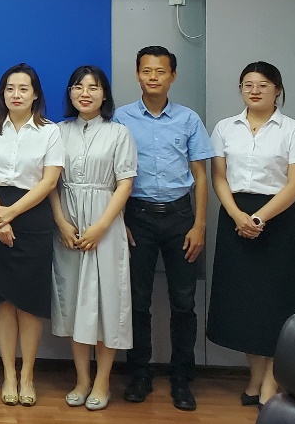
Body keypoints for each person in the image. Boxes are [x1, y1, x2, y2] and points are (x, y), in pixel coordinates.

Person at [206, 62, 295, 407]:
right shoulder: (225, 127)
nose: (254, 90)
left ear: (277, 90)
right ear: (241, 88)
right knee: (245, 303)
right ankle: (254, 378)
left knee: (276, 302)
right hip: (234, 217)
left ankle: (271, 381)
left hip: (276, 220)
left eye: (263, 85)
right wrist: (237, 215)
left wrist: (258, 218)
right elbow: (219, 177)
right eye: (248, 84)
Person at [112, 45, 213, 412]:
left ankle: (182, 378)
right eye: (146, 70)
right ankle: (139, 374)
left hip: (180, 218)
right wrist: (119, 221)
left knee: (184, 302)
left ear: (173, 76)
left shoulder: (189, 119)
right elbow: (112, 172)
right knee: (137, 301)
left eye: (160, 71)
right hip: (136, 217)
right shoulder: (121, 117)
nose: (153, 77)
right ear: (137, 74)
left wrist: (199, 224)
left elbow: (201, 176)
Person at [49, 65, 136, 411]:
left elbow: (125, 183)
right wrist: (61, 221)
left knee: (106, 303)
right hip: (68, 226)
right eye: (78, 87)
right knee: (74, 302)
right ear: (70, 92)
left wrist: (101, 226)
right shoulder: (57, 131)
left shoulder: (119, 133)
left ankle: (103, 382)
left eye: (93, 87)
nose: (85, 93)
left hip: (106, 224)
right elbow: (50, 182)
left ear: (104, 94)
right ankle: (83, 379)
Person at [0, 63, 64, 408]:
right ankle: (8, 375)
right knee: (4, 300)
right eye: (10, 89)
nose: (16, 95)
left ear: (35, 94)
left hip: (32, 214)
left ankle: (27, 375)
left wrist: (11, 214)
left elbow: (49, 181)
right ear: (2, 94)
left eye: (23, 89)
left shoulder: (49, 131)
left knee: (29, 302)